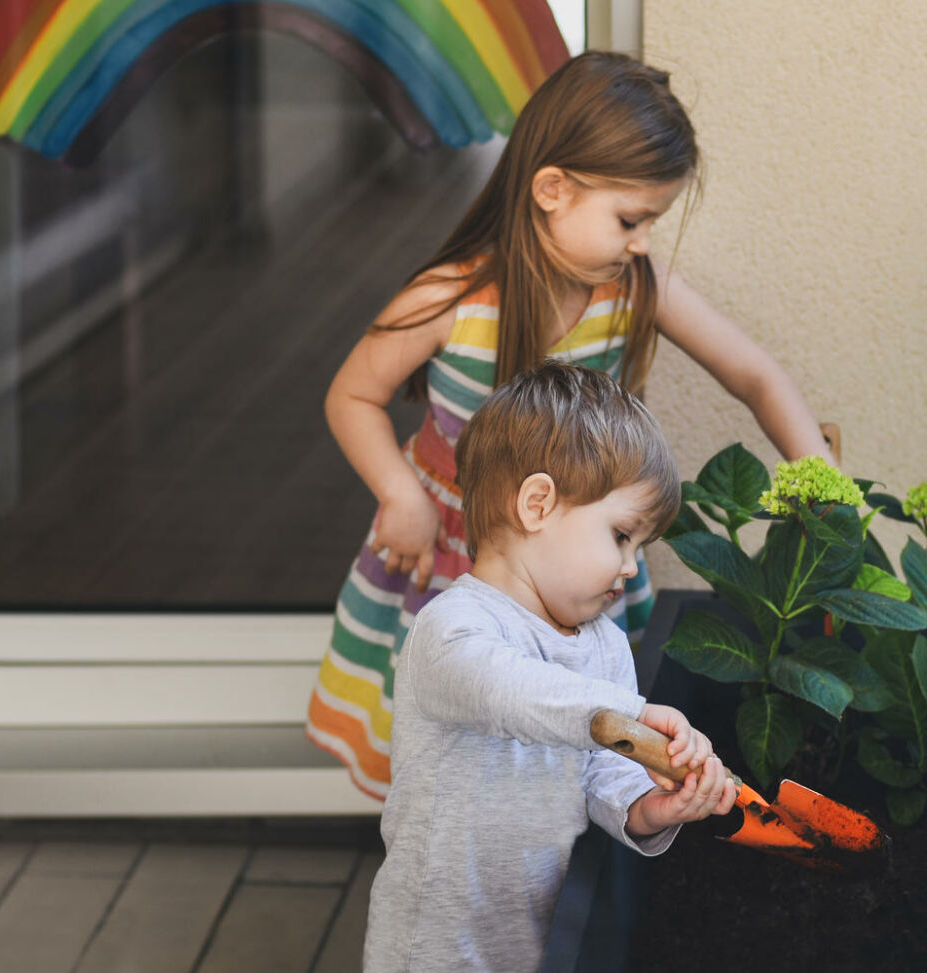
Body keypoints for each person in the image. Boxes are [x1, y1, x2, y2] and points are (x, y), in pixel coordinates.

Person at [306, 50, 835, 799]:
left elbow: (754, 372)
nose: (643, 241)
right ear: (552, 189)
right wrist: (401, 494)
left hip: (577, 571)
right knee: (450, 751)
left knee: (568, 745)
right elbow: (351, 396)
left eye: (650, 221)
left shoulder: (631, 290)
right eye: (630, 219)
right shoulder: (454, 298)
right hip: (458, 560)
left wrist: (820, 472)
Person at [362, 361, 737, 972]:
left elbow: (600, 772)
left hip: (538, 925)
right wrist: (633, 717)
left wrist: (647, 807)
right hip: (437, 942)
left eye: (640, 547)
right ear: (537, 504)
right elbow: (513, 693)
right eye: (620, 536)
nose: (630, 568)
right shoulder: (452, 630)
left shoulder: (604, 645)